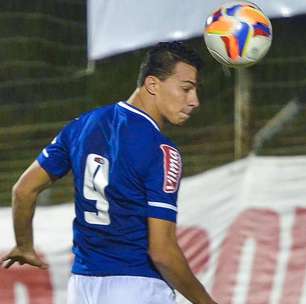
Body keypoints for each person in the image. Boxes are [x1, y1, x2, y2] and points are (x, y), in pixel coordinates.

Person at [0, 41, 218, 304]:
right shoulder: (162, 151)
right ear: (152, 84)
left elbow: (23, 190)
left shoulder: (81, 126)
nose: (194, 101)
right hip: (137, 288)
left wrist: (24, 245)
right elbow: (162, 253)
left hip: (82, 288)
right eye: (186, 89)